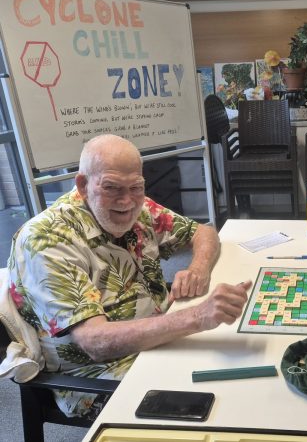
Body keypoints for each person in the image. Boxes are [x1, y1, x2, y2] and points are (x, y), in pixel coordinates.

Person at [6, 134, 251, 418]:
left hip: (157, 337)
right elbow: (95, 343)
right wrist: (197, 316)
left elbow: (204, 232)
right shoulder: (47, 240)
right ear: (83, 186)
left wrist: (196, 269)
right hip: (99, 373)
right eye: (111, 188)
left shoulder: (139, 205)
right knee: (227, 401)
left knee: (243, 364)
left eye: (136, 187)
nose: (127, 201)